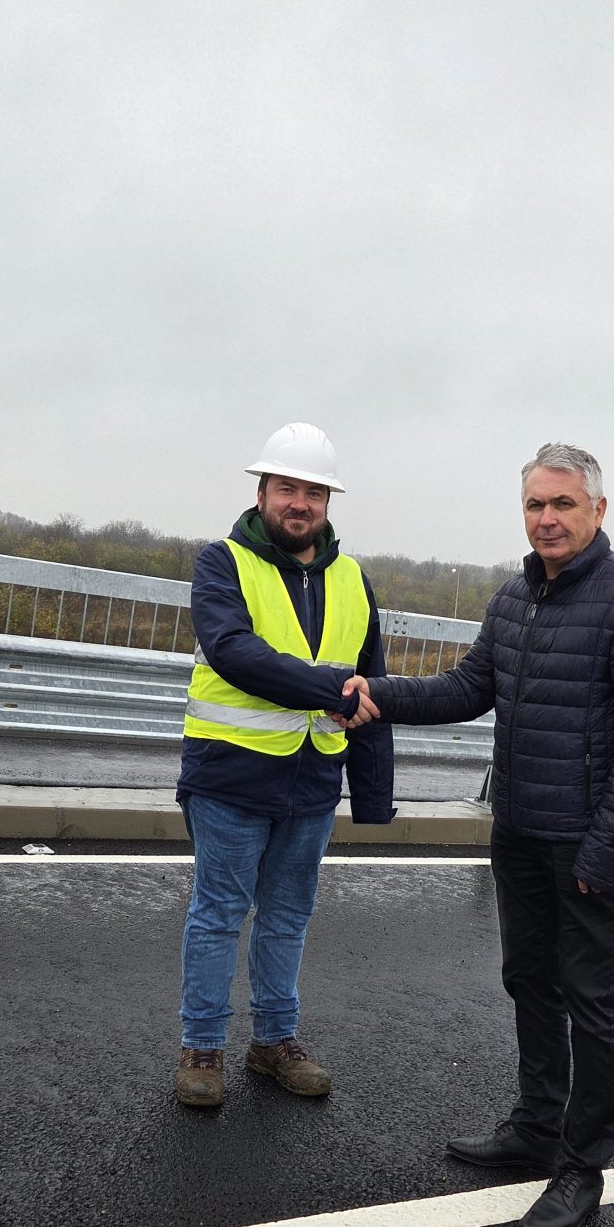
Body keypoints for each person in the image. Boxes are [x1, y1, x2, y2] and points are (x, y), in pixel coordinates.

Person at [342, 442, 614, 1227]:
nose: (547, 519)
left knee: (593, 1003)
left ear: (598, 510)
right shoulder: (514, 597)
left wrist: (608, 849)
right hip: (520, 832)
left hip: (587, 843)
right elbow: (467, 687)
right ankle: (536, 1126)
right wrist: (376, 693)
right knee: (530, 981)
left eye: (563, 504)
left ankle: (583, 1164)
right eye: (535, 504)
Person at [175, 422, 392, 1108]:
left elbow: (373, 686)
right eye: (287, 488)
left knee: (289, 916)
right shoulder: (223, 563)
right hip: (231, 775)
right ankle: (202, 1046)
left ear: (328, 502)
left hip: (312, 779)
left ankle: (274, 1041)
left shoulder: (354, 580)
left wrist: (373, 795)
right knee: (218, 914)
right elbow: (235, 652)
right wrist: (331, 690)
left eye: (313, 493)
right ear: (262, 492)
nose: (300, 503)